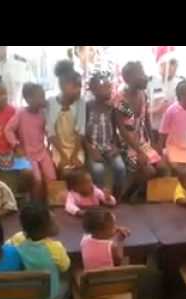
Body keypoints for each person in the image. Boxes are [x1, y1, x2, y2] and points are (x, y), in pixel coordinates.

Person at [114, 61, 169, 203]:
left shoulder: (142, 94)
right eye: (140, 74)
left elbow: (146, 120)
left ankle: (141, 192)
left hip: (141, 141)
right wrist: (139, 152)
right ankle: (129, 194)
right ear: (128, 79)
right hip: (126, 144)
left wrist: (155, 143)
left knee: (163, 168)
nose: (145, 77)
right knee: (148, 171)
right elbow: (122, 130)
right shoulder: (121, 101)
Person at [6, 202, 71, 299]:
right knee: (68, 280)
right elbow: (65, 267)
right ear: (43, 229)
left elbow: (6, 248)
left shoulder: (17, 238)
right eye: (53, 222)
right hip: (50, 297)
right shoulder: (56, 248)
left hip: (26, 297)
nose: (57, 224)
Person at [5, 83, 56, 201]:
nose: (42, 100)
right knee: (37, 180)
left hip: (41, 151)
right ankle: (36, 206)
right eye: (39, 97)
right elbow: (8, 130)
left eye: (43, 96)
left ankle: (52, 206)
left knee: (51, 177)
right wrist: (16, 145)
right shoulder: (21, 113)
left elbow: (47, 130)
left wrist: (49, 146)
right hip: (27, 154)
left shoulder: (43, 113)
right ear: (28, 99)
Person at [84, 70, 127, 200]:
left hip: (109, 146)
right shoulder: (87, 107)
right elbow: (81, 133)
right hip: (93, 147)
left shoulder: (113, 106)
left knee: (120, 167)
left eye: (110, 87)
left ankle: (117, 196)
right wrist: (91, 151)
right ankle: (100, 196)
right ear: (93, 90)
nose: (108, 91)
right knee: (98, 170)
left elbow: (127, 116)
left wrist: (116, 146)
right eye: (104, 88)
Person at [45, 60, 86, 179]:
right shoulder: (51, 103)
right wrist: (63, 156)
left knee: (79, 173)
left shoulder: (81, 102)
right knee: (65, 173)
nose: (79, 90)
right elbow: (51, 134)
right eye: (74, 86)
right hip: (59, 149)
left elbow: (81, 132)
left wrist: (73, 156)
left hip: (76, 148)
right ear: (62, 85)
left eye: (80, 86)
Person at [159, 80, 186, 173]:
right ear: (183, 96)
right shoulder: (171, 111)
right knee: (177, 170)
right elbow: (162, 132)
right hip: (173, 146)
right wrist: (160, 153)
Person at [147, 47, 183, 143]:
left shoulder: (181, 84)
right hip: (152, 128)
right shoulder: (150, 82)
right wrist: (156, 109)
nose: (172, 67)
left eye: (175, 64)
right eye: (169, 63)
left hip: (171, 129)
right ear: (160, 64)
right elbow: (139, 111)